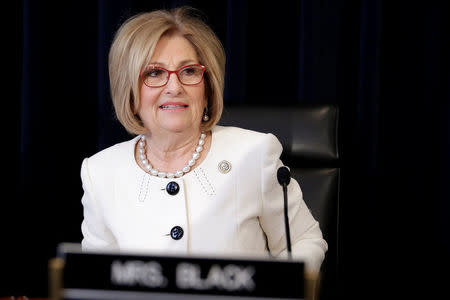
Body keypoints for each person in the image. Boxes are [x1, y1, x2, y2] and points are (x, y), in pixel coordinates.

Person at [80, 6, 327, 274]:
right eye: (154, 73)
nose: (174, 87)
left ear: (207, 87)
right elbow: (95, 278)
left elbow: (305, 241)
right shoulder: (101, 173)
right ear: (128, 91)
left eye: (188, 71)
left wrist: (277, 289)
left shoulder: (254, 154)